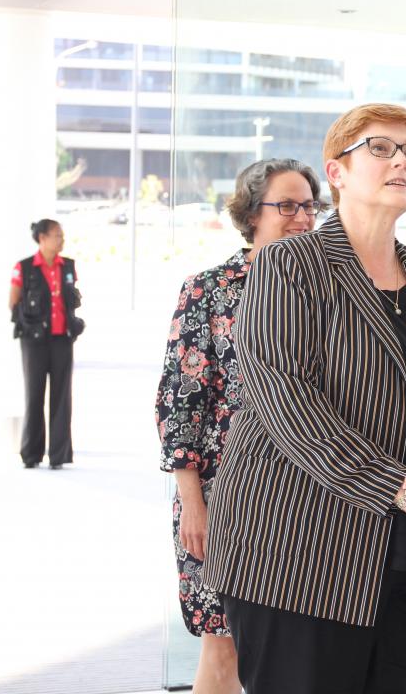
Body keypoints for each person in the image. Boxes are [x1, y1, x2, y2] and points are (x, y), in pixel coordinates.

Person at [202, 103, 406, 694]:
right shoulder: (290, 264)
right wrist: (405, 489)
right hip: (299, 551)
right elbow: (287, 402)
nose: (402, 161)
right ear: (335, 173)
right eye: (382, 148)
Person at [156, 158, 326, 694]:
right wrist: (193, 501)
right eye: (288, 205)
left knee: (301, 651)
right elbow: (180, 402)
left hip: (311, 493)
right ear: (252, 213)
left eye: (310, 206)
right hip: (222, 491)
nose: (303, 217)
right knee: (224, 643)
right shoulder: (209, 290)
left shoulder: (331, 292)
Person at [10, 218, 84, 469]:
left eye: (62, 235)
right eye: (57, 235)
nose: (61, 240)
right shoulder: (25, 267)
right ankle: (31, 454)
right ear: (42, 238)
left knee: (62, 396)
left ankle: (59, 455)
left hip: (62, 338)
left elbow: (71, 297)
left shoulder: (68, 266)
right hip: (34, 341)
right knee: (34, 394)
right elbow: (13, 301)